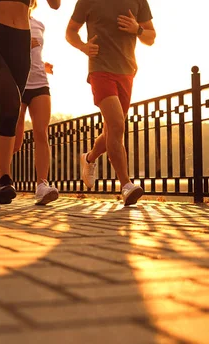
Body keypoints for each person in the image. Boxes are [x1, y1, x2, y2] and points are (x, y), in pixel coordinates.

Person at [0, 0, 60, 210]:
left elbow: (56, 4)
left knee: (6, 112)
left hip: (20, 45)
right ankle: (4, 178)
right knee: (11, 100)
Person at [66, 0, 156, 206]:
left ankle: (89, 158)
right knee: (117, 124)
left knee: (111, 133)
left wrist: (138, 29)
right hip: (99, 70)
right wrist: (82, 46)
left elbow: (151, 37)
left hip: (127, 72)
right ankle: (126, 186)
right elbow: (70, 31)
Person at [12, 0, 58, 205]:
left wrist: (43, 63)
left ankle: (41, 185)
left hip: (40, 82)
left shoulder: (39, 24)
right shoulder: (10, 21)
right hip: (17, 84)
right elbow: (3, 52)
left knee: (41, 132)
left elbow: (34, 52)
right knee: (16, 137)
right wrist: (20, 45)